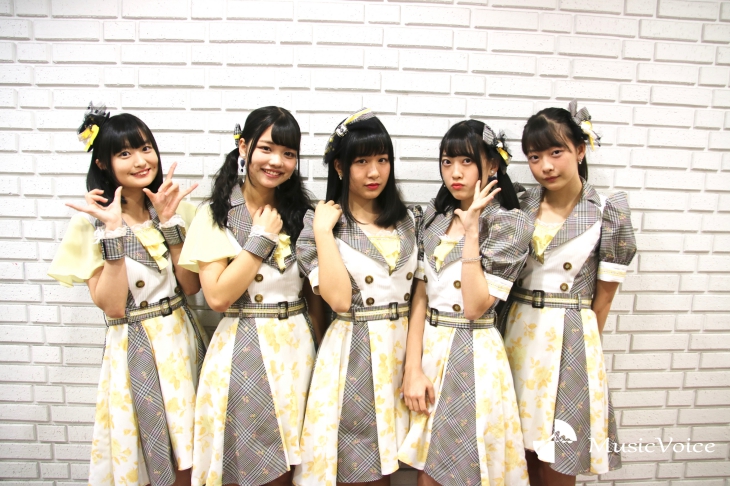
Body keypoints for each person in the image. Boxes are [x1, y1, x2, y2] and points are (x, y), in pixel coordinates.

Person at [48, 104, 207, 486]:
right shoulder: (90, 222)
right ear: (103, 163)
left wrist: (169, 222)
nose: (140, 160)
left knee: (192, 453)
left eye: (145, 148)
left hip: (181, 338)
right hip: (133, 345)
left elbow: (191, 287)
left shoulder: (177, 208)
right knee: (147, 453)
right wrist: (114, 233)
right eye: (124, 153)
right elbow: (113, 305)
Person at [179, 106, 320, 486]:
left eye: (288, 153)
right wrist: (260, 239)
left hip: (299, 350)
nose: (277, 161)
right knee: (252, 463)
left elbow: (314, 294)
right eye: (267, 149)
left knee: (296, 462)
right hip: (242, 348)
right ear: (244, 147)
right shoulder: (215, 215)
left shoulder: (304, 214)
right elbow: (217, 296)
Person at [501, 100, 637, 485]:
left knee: (560, 450)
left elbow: (604, 298)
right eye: (534, 157)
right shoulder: (519, 205)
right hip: (515, 333)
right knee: (519, 449)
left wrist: (585, 352)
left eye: (555, 152)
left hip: (571, 340)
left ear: (580, 149)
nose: (545, 166)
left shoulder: (607, 212)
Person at [398, 120, 531, 486]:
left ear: (492, 165)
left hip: (473, 352)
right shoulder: (435, 217)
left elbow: (475, 306)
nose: (454, 173)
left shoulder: (508, 223)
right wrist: (412, 368)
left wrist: (472, 232)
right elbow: (420, 296)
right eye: (447, 162)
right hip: (431, 351)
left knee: (465, 467)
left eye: (466, 162)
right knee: (427, 465)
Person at [293, 109, 417, 486]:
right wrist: (323, 232)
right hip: (355, 354)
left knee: (407, 460)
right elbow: (338, 300)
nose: (374, 172)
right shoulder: (320, 226)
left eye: (382, 159)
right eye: (361, 162)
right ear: (340, 167)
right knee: (360, 464)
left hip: (407, 353)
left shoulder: (410, 220)